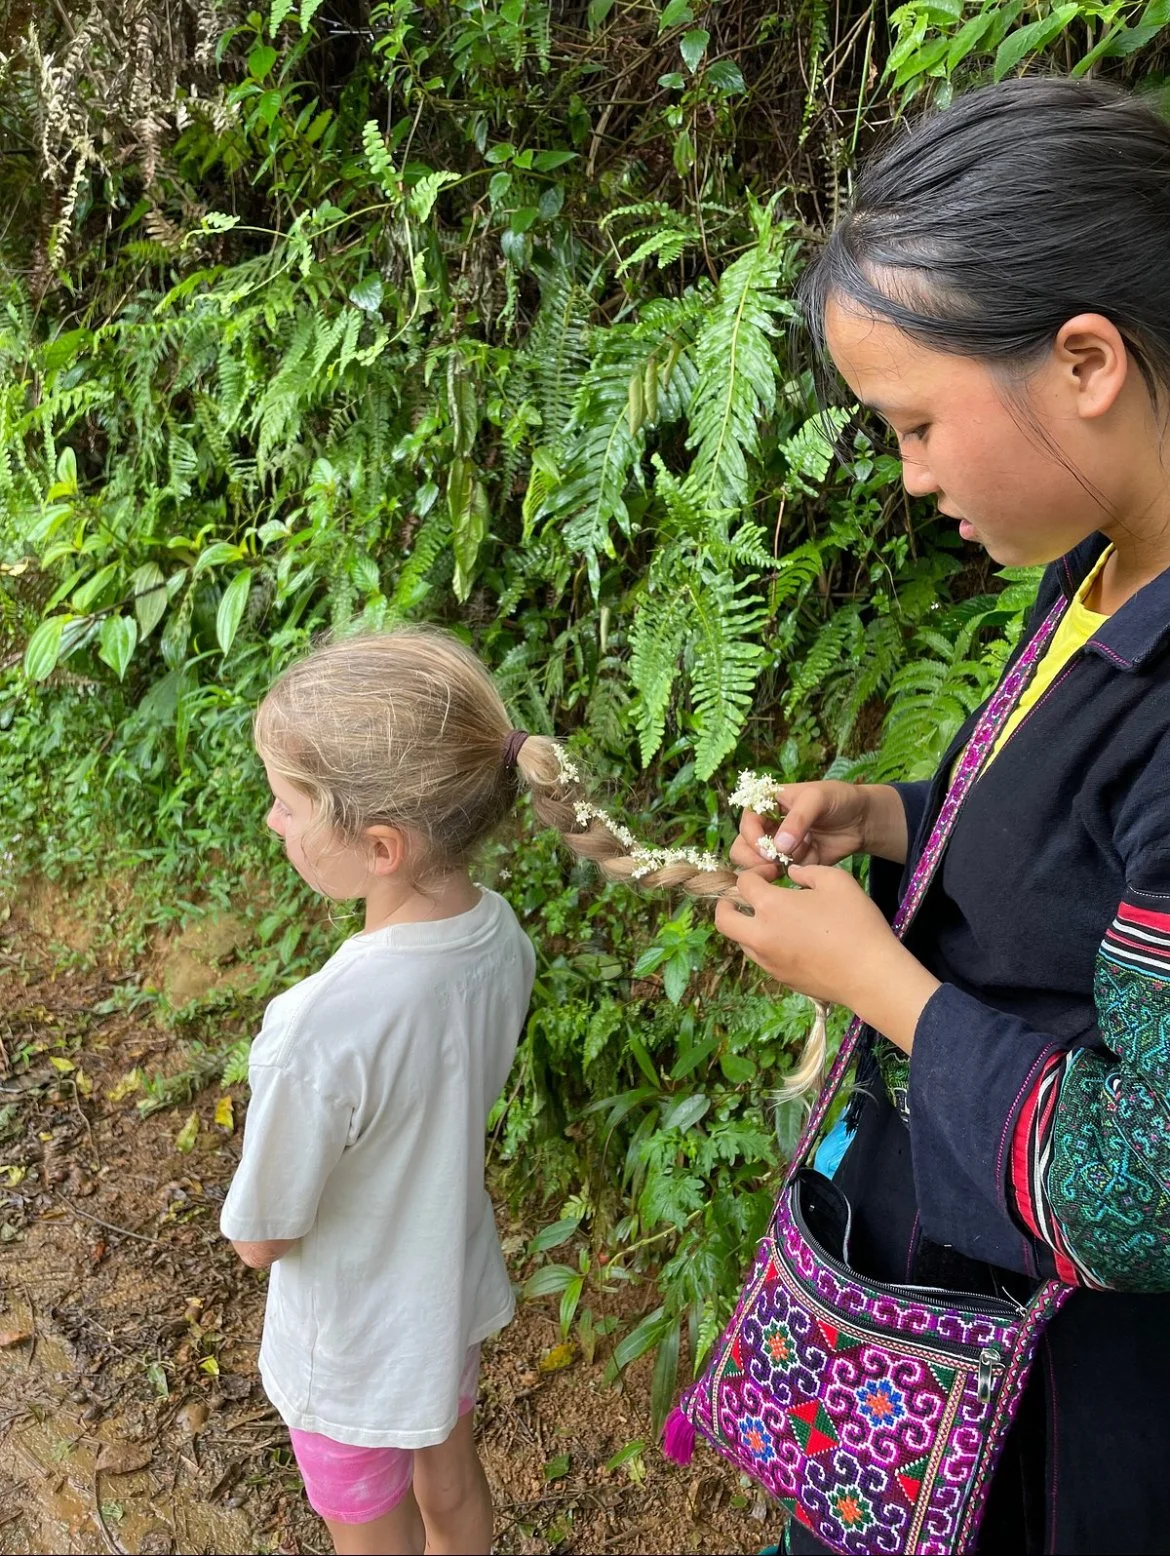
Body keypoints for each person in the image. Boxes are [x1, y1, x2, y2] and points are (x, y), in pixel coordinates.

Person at [714, 76, 1170, 1554]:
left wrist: (879, 987)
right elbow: (1061, 847)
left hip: (1040, 1425)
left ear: (1083, 359)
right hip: (932, 1315)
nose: (907, 478)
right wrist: (886, 815)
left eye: (913, 424)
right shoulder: (1097, 568)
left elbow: (1137, 1191)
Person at [219, 629, 555, 1556]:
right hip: (441, 1296)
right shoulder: (499, 936)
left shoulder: (319, 1024)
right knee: (450, 1482)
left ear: (379, 846)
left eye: (286, 807)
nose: (272, 825)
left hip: (356, 1343)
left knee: (371, 1526)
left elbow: (261, 1238)